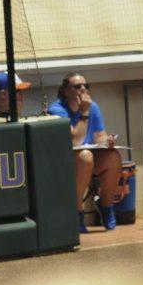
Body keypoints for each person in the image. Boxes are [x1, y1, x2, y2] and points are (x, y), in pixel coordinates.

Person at [48, 72, 123, 232]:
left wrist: (107, 141)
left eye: (85, 86)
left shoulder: (92, 107)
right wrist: (84, 113)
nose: (83, 89)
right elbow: (74, 141)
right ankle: (76, 212)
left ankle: (106, 206)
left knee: (114, 157)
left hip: (88, 157)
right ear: (66, 91)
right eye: (77, 86)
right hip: (65, 161)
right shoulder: (57, 109)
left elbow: (99, 137)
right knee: (85, 156)